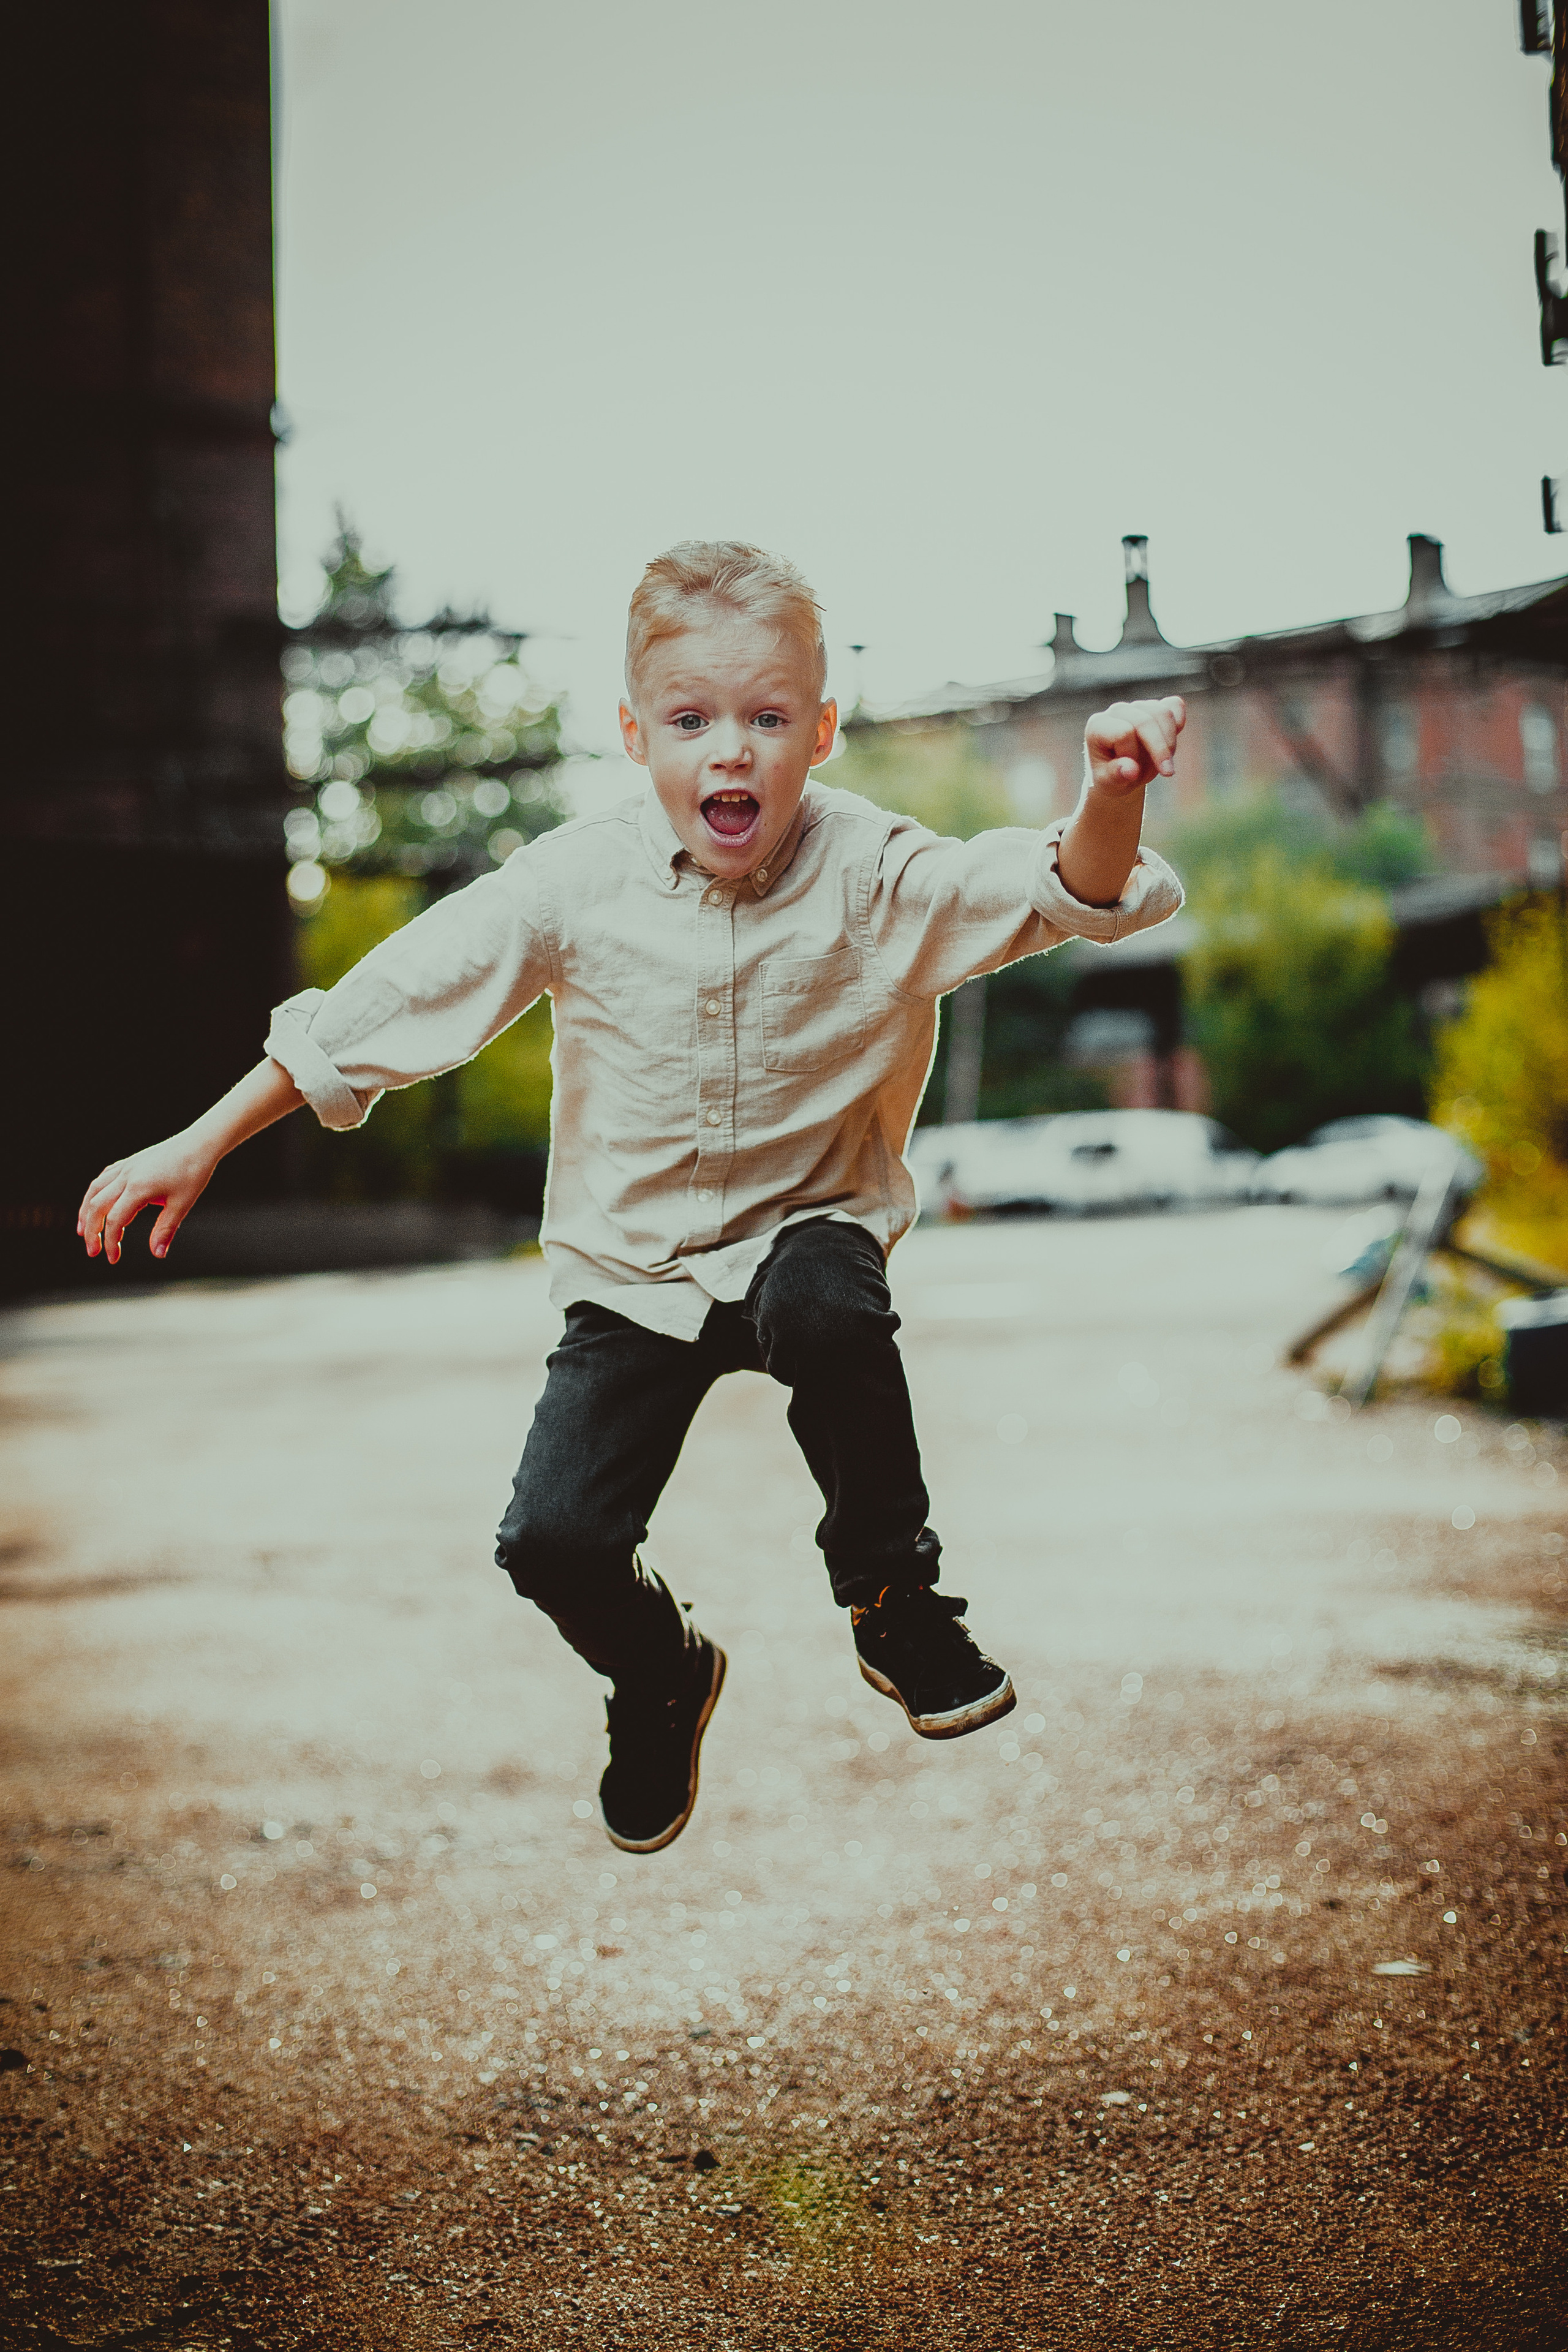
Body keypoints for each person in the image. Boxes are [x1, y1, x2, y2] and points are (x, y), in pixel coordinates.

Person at [78, 541, 1184, 1855]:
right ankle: (660, 1674)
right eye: (691, 721)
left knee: (830, 1305)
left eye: (768, 720)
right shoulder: (570, 882)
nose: (731, 755)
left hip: (800, 1228)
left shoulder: (875, 872)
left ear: (820, 731)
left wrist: (1107, 786)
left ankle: (895, 1600)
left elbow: (1067, 887)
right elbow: (391, 1001)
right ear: (633, 734)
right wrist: (201, 1140)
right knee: (549, 1544)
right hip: (632, 1272)